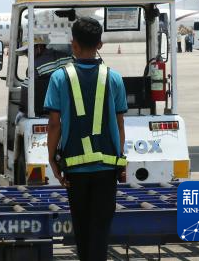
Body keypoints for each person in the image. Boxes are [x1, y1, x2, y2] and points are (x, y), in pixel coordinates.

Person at [45, 17, 127, 261]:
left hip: (76, 169)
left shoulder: (59, 78)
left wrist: (52, 159)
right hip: (107, 168)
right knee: (100, 233)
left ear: (74, 44)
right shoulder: (114, 78)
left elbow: (54, 124)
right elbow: (120, 124)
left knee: (82, 231)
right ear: (100, 44)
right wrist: (120, 159)